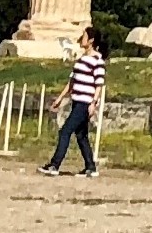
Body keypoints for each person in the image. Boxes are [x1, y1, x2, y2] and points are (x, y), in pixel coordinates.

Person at [40, 20, 105, 176]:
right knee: (81, 135)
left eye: (84, 36)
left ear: (91, 40)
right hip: (77, 100)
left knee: (65, 131)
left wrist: (93, 103)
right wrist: (60, 98)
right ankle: (90, 166)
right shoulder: (81, 59)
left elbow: (99, 84)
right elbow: (72, 81)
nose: (81, 39)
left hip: (85, 102)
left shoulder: (97, 60)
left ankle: (54, 165)